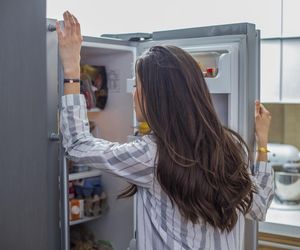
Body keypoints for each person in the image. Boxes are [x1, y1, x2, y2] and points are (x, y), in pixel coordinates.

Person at [57, 11, 273, 250]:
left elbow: (77, 146)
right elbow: (259, 206)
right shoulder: (228, 147)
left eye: (137, 85)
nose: (133, 92)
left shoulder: (151, 155)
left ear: (157, 97)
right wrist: (262, 143)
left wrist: (71, 72)